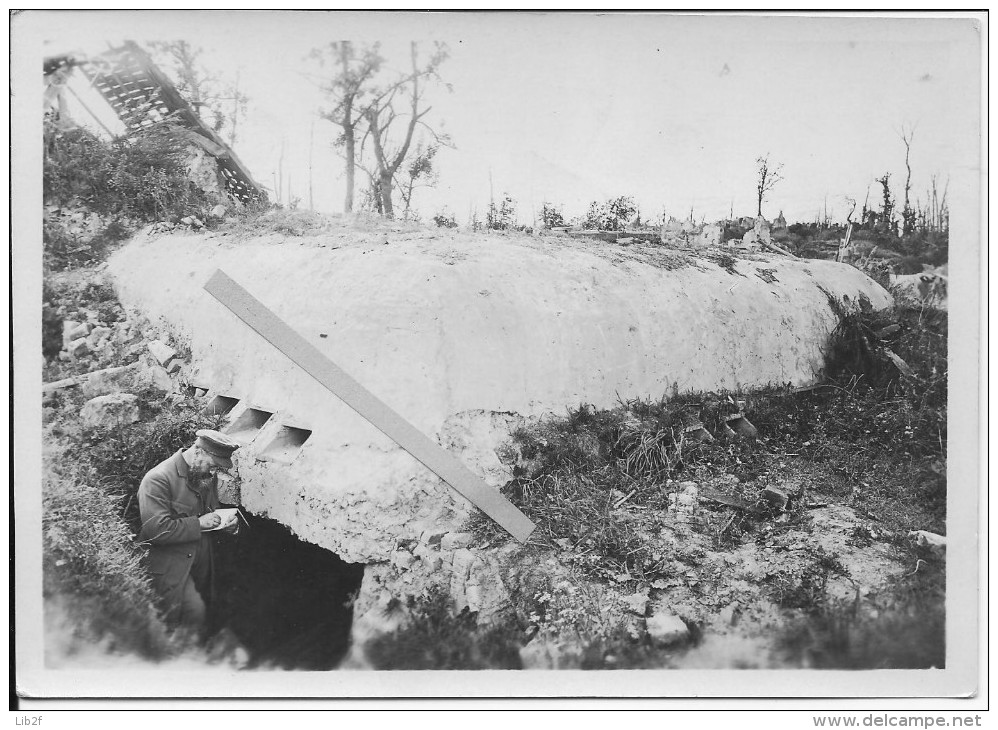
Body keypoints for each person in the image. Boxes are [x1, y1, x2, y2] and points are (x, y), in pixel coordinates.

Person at [137, 428, 242, 636]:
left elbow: (210, 512)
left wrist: (228, 525)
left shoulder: (202, 474)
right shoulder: (158, 479)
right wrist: (199, 524)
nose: (213, 473)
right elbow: (155, 530)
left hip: (199, 568)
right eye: (212, 466)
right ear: (198, 452)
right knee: (190, 615)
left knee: (200, 620)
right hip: (169, 571)